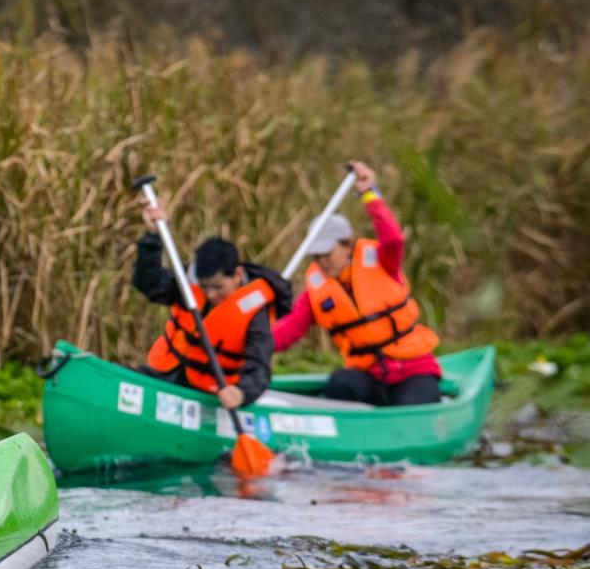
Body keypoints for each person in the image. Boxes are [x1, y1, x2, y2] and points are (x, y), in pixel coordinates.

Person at [274, 161, 442, 405]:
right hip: (369, 377)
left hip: (412, 370)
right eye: (316, 257)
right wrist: (249, 348)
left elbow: (393, 239)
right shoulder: (316, 291)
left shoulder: (383, 261)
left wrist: (370, 194)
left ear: (347, 245)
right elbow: (289, 330)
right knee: (340, 383)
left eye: (327, 254)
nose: (322, 262)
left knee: (413, 403)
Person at [132, 202, 290, 410]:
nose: (211, 294)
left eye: (218, 287)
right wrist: (153, 237)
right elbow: (149, 283)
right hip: (167, 373)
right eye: (205, 287)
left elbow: (259, 367)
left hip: (212, 393)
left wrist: (241, 392)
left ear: (237, 275)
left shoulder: (255, 312)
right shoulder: (190, 284)